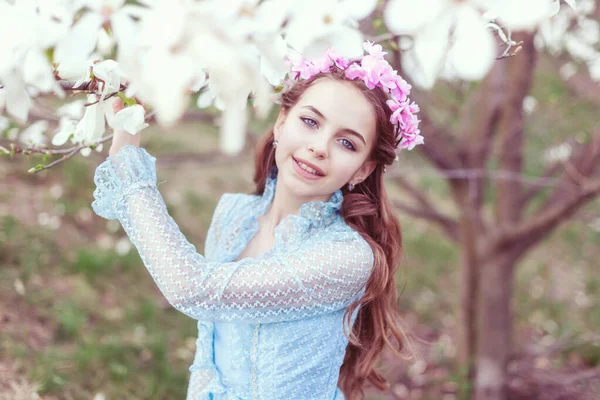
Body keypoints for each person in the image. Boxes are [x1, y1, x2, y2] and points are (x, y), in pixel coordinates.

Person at [92, 41, 423, 400]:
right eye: (310, 121)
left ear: (363, 169)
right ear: (282, 122)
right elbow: (208, 355)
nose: (320, 147)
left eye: (347, 143)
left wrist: (126, 156)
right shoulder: (235, 215)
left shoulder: (346, 258)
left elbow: (193, 289)